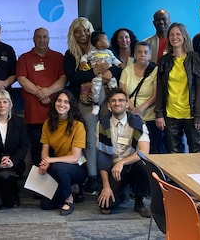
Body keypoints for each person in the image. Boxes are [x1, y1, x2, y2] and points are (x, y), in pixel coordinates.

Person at [63, 17, 117, 194]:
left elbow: (117, 67)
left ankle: (110, 175)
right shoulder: (70, 54)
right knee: (90, 140)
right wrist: (95, 71)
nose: (82, 34)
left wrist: (108, 72)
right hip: (85, 100)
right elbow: (73, 78)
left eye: (85, 30)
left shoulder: (103, 47)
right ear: (73, 34)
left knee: (109, 137)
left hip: (107, 98)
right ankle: (93, 176)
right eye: (78, 31)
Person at [96, 89, 151, 217]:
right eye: (113, 101)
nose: (117, 103)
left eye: (121, 100)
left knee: (143, 166)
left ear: (127, 104)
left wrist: (122, 162)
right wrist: (106, 187)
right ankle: (122, 193)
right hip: (112, 169)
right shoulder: (102, 124)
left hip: (132, 165)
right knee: (105, 208)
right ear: (109, 105)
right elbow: (102, 158)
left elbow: (144, 152)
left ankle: (139, 201)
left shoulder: (138, 122)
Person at [16, 27, 66, 167]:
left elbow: (63, 79)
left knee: (56, 151)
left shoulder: (58, 57)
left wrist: (48, 91)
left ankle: (56, 184)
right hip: (34, 115)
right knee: (37, 152)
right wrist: (40, 93)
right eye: (38, 37)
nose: (42, 40)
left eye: (45, 37)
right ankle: (38, 187)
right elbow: (21, 79)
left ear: (49, 39)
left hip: (56, 114)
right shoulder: (24, 58)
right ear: (33, 39)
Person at [154, 23, 200, 153]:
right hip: (170, 115)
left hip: (191, 114)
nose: (174, 37)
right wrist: (159, 113)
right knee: (174, 153)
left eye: (178, 34)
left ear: (184, 37)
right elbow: (160, 89)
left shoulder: (195, 58)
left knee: (197, 152)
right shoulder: (164, 61)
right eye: (171, 34)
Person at [38, 90, 87, 216]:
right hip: (59, 166)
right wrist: (44, 162)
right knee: (45, 204)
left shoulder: (78, 125)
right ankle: (73, 189)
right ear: (54, 103)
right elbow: (45, 150)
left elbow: (75, 158)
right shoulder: (48, 124)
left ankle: (69, 199)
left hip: (77, 167)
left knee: (58, 167)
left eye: (66, 102)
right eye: (59, 100)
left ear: (71, 106)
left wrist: (51, 161)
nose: (62, 104)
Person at [119, 42, 163, 153]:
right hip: (130, 116)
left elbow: (155, 95)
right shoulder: (126, 71)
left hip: (149, 117)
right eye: (139, 52)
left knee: (152, 150)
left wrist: (139, 110)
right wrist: (132, 109)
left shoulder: (155, 71)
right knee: (131, 149)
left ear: (150, 55)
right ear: (134, 54)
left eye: (145, 52)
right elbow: (122, 93)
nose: (142, 54)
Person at [81, 31, 122, 115]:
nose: (108, 41)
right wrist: (84, 62)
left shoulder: (109, 52)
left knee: (114, 87)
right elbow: (84, 57)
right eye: (106, 39)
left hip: (109, 75)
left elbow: (114, 59)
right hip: (97, 75)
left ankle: (112, 102)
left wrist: (120, 64)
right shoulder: (92, 52)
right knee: (95, 89)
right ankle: (95, 104)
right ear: (99, 43)